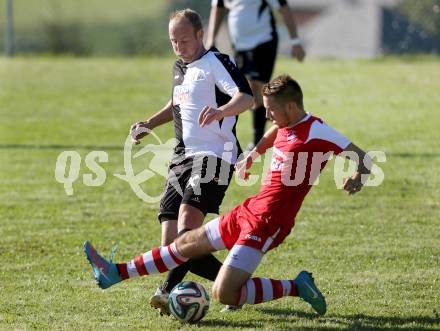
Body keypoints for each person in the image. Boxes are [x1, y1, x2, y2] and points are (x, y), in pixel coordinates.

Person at [85, 75, 371, 316]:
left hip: (269, 222)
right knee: (184, 243)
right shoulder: (285, 124)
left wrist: (358, 176)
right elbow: (273, 133)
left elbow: (363, 157)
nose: (267, 115)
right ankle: (116, 272)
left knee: (225, 294)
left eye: (271, 109)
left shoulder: (317, 131)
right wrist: (253, 155)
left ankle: (297, 286)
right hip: (250, 210)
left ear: (292, 106)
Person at [129, 9, 253, 315]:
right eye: (173, 40)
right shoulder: (180, 67)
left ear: (200, 35)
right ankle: (237, 286)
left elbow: (247, 98)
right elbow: (177, 102)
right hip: (181, 158)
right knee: (172, 245)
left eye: (185, 39)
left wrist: (221, 112)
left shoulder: (216, 62)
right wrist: (149, 123)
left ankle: (166, 291)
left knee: (187, 231)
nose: (179, 45)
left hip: (214, 157)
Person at [206, 0, 306, 151]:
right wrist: (211, 39)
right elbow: (217, 8)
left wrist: (295, 41)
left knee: (256, 87)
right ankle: (253, 137)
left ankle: (257, 140)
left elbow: (284, 8)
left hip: (263, 42)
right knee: (245, 92)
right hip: (239, 45)